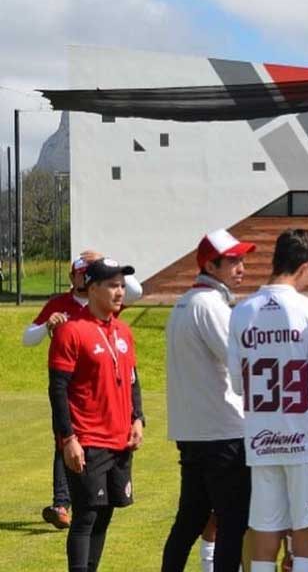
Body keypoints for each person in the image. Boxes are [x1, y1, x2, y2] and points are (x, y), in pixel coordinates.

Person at [227, 229, 308, 572]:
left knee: (264, 526)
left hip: (262, 437)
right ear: (306, 266)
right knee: (305, 526)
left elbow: (236, 382)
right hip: (305, 439)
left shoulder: (242, 311)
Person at [26, 251, 142, 529]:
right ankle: (61, 503)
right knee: (65, 447)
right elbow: (27, 339)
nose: (82, 273)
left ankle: (64, 503)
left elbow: (136, 290)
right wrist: (46, 325)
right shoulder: (62, 304)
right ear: (75, 278)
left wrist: (105, 262)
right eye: (80, 271)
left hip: (107, 409)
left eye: (87, 269)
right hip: (74, 397)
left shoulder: (110, 307)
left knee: (102, 512)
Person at [162, 229, 256, 572]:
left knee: (190, 520)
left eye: (241, 259)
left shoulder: (184, 302)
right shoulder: (210, 305)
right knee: (233, 522)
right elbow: (239, 362)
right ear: (211, 265)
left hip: (194, 431)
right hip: (223, 432)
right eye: (233, 261)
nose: (241, 266)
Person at [48, 257, 145, 572]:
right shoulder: (71, 331)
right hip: (87, 439)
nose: (120, 292)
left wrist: (138, 418)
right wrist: (68, 439)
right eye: (113, 285)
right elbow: (58, 390)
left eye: (122, 285)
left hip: (119, 440)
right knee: (86, 515)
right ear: (92, 289)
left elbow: (132, 379)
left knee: (105, 514)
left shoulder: (123, 332)